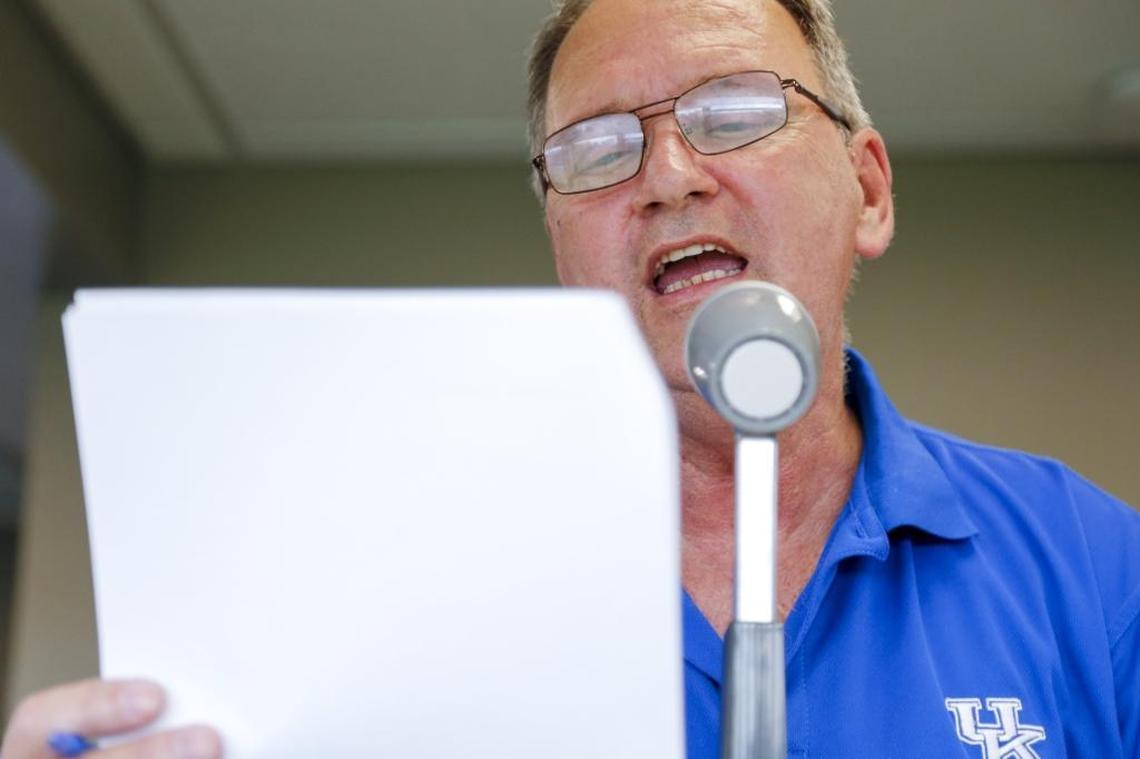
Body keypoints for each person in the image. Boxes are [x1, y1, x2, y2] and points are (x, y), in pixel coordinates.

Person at [3, 1, 1137, 757]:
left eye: (734, 111)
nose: (669, 177)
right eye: (596, 150)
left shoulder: (1092, 571)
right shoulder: (385, 589)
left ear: (870, 191)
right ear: (560, 246)